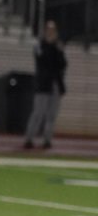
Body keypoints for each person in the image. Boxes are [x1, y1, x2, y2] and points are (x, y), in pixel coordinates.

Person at [23, 20, 67, 149]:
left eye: (52, 30)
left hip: (55, 85)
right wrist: (53, 47)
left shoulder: (58, 47)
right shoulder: (39, 45)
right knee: (38, 113)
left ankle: (47, 140)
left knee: (51, 115)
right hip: (43, 85)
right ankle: (29, 139)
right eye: (48, 30)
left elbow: (62, 64)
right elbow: (44, 61)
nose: (50, 32)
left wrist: (59, 51)